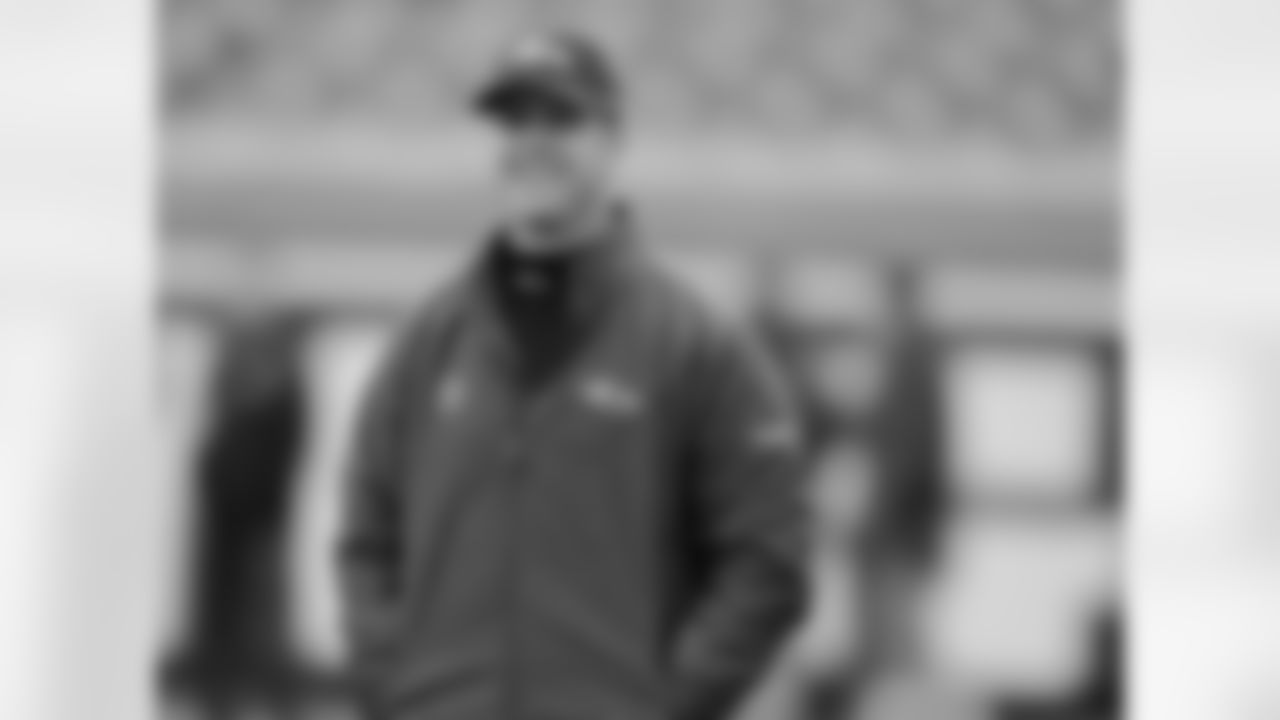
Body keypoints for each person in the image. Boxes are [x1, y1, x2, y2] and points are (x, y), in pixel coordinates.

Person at [337, 30, 810, 720]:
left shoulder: (697, 345)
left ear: (614, 140)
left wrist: (665, 703)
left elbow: (769, 562)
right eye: (514, 120)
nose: (534, 142)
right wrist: (397, 687)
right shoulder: (426, 342)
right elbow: (367, 541)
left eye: (561, 118)